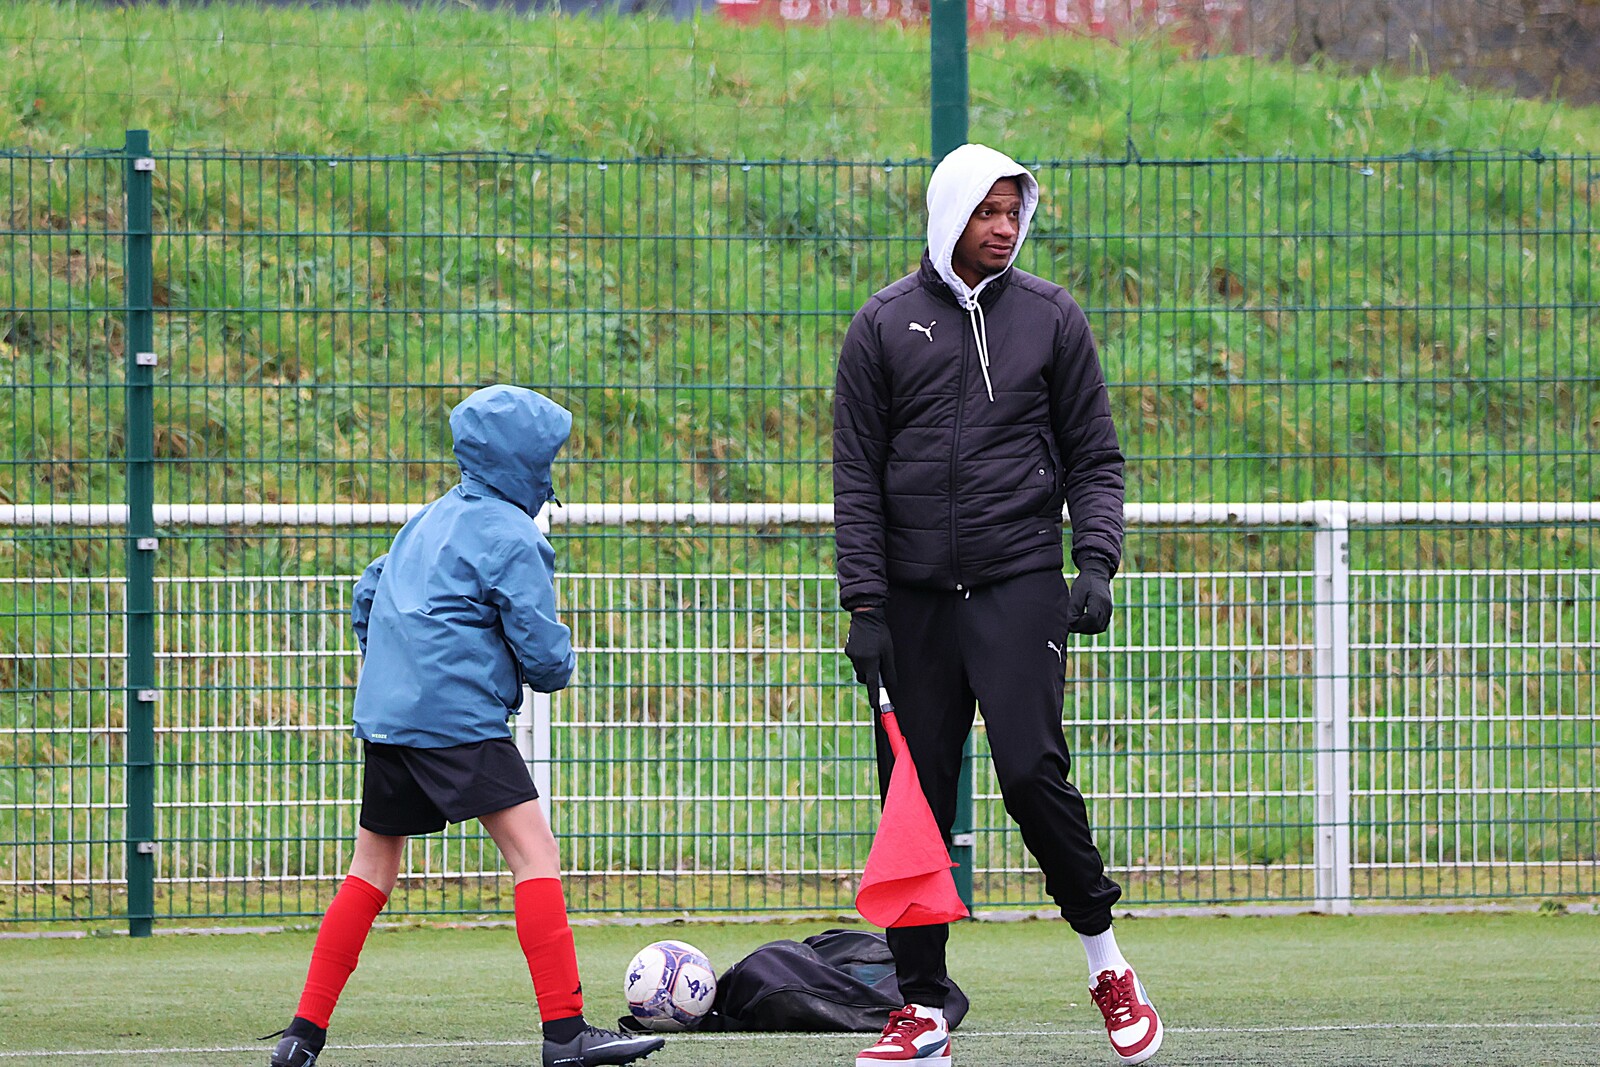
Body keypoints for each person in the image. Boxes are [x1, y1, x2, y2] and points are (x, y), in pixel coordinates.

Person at [832, 143, 1163, 1066]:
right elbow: (856, 478)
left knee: (1031, 774)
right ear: (950, 215)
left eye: (1015, 212)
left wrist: (1095, 562)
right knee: (913, 803)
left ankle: (1107, 962)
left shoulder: (1053, 318)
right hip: (911, 605)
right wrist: (866, 606)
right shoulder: (880, 326)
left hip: (1019, 584)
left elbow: (1095, 456)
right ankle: (922, 1008)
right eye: (988, 212)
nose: (1006, 228)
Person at [267, 385, 664, 1067]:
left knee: (370, 870)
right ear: (523, 461)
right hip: (458, 719)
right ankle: (565, 1033)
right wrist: (555, 663)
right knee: (535, 856)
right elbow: (545, 659)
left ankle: (302, 1035)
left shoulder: (426, 519)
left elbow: (367, 593)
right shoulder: (514, 535)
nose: (550, 471)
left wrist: (397, 669)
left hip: (389, 717)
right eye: (546, 458)